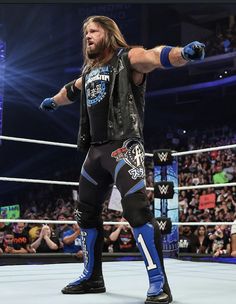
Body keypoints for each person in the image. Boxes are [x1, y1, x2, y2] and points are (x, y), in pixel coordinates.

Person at [40, 15, 205, 304]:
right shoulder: (90, 71)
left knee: (137, 211)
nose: (87, 36)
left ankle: (158, 283)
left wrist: (183, 54)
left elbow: (154, 56)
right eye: (85, 33)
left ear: (108, 33)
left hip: (124, 147)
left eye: (93, 31)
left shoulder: (127, 58)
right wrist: (54, 101)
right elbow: (71, 90)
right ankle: (92, 277)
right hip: (94, 151)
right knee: (85, 215)